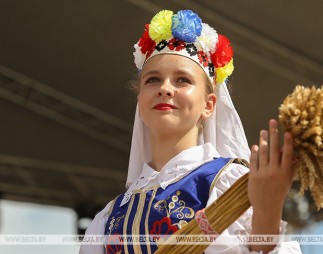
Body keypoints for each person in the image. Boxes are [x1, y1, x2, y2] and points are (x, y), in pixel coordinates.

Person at [79, 9, 302, 254]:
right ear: (140, 101)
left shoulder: (227, 184)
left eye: (182, 80)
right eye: (153, 80)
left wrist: (267, 213)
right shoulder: (111, 217)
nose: (165, 89)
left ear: (208, 106)